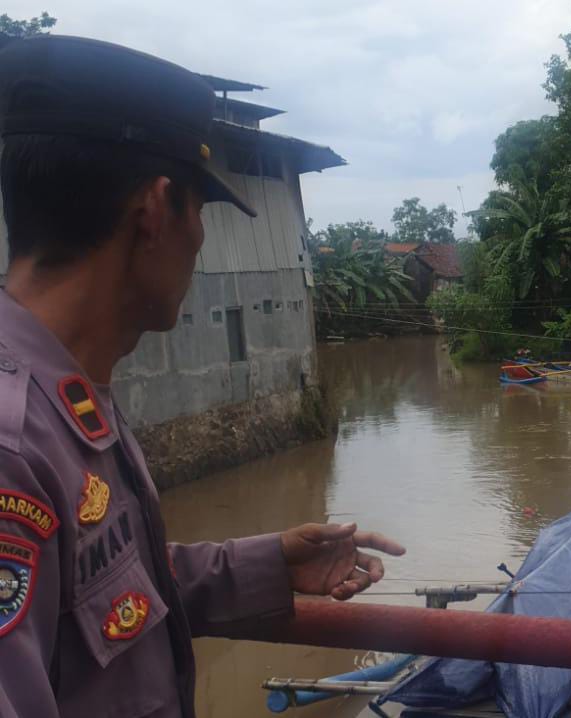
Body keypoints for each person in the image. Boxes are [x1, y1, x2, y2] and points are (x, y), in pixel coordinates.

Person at [0, 35, 405, 717]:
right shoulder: (14, 446)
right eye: (201, 211)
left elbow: (106, 591)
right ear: (156, 212)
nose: (199, 240)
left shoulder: (73, 398)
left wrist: (270, 565)